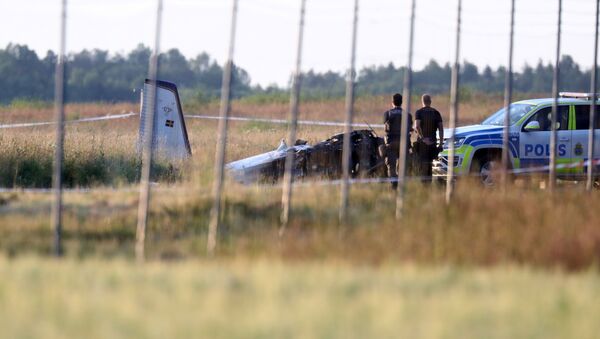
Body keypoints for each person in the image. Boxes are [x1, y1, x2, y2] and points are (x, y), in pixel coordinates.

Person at [382, 93, 412, 189]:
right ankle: (402, 184)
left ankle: (394, 185)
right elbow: (410, 128)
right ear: (402, 102)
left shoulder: (387, 113)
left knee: (391, 165)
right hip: (404, 143)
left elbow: (385, 127)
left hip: (391, 143)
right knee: (403, 165)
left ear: (392, 102)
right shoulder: (408, 115)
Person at [414, 94, 444, 179]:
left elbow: (417, 126)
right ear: (430, 102)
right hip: (432, 142)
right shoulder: (436, 112)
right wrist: (441, 144)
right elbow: (441, 129)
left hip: (422, 144)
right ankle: (429, 185)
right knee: (430, 165)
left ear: (422, 102)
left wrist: (423, 138)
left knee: (422, 166)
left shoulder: (419, 112)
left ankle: (424, 187)